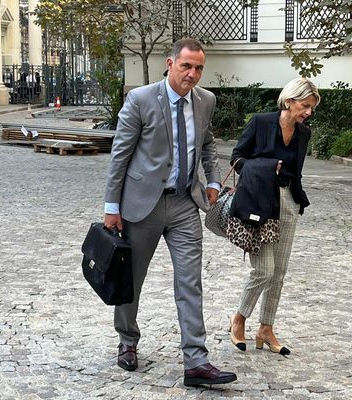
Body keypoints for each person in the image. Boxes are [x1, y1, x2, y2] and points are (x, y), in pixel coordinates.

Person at [103, 38, 237, 387]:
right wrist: (111, 207)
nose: (192, 74)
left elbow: (207, 144)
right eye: (186, 66)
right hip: (141, 206)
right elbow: (120, 155)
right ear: (170, 63)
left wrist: (211, 181)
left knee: (190, 282)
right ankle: (128, 341)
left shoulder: (206, 101)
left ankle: (196, 361)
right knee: (131, 280)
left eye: (198, 68)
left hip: (184, 205)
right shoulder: (141, 99)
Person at [228, 77, 320, 356]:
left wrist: (298, 200)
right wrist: (266, 167)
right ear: (289, 101)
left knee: (278, 273)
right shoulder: (261, 122)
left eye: (312, 108)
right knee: (263, 270)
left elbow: (298, 172)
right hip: (260, 203)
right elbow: (236, 158)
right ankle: (239, 319)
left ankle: (265, 329)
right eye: (305, 106)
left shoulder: (304, 133)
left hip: (288, 202)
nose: (308, 112)